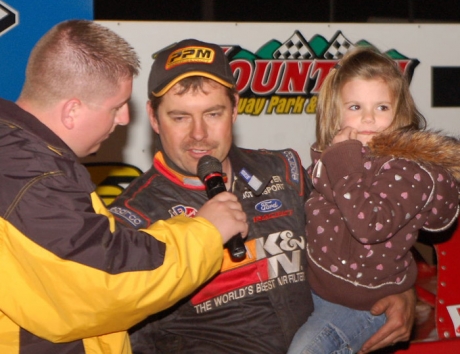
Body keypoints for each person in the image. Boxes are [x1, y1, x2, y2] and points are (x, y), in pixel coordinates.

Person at [109, 39, 417, 354]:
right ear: (153, 117)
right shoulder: (133, 218)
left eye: (213, 114)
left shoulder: (285, 170)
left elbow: (361, 244)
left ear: (235, 109)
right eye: (180, 117)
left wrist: (402, 292)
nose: (198, 134)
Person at [0, 20, 249, 354]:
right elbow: (105, 281)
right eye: (116, 107)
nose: (124, 120)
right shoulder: (31, 178)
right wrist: (205, 232)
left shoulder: (26, 155)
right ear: (72, 110)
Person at [287, 47, 460, 354]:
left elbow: (369, 226)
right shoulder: (334, 156)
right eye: (355, 106)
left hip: (367, 304)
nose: (368, 117)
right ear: (334, 113)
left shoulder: (410, 171)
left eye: (381, 107)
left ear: (400, 114)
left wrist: (342, 162)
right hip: (315, 287)